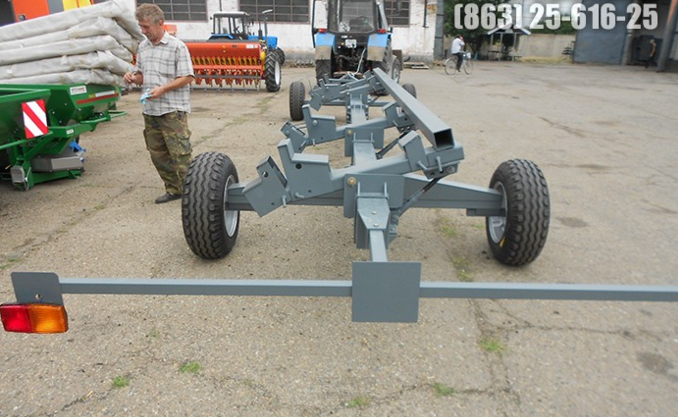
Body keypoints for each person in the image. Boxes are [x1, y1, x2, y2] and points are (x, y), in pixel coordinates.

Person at [124, 4, 195, 204]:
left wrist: (163, 89)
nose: (143, 31)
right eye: (141, 26)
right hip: (151, 110)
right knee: (158, 154)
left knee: (180, 154)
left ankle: (193, 194)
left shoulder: (177, 47)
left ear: (160, 23)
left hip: (172, 110)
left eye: (146, 27)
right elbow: (142, 76)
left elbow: (187, 77)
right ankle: (174, 189)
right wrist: (133, 78)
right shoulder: (143, 47)